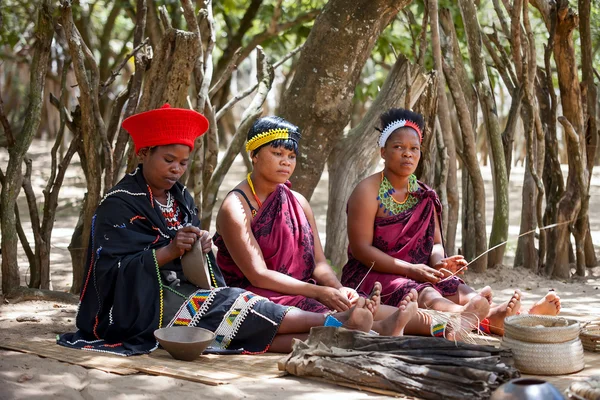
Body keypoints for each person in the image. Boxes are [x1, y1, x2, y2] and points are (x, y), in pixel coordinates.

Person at [57, 104, 414, 356]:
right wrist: (169, 251)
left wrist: (200, 246)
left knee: (229, 327)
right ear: (143, 153)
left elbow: (192, 253)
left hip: (187, 293)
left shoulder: (180, 197)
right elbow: (111, 271)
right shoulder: (120, 204)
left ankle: (352, 332)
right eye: (168, 160)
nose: (177, 170)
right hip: (141, 306)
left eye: (183, 163)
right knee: (232, 304)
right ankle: (338, 323)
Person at [213, 116, 482, 337]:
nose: (286, 162)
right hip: (256, 296)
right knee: (327, 317)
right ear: (254, 155)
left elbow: (318, 262)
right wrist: (320, 291)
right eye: (277, 153)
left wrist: (337, 288)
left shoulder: (298, 201)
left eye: (291, 156)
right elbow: (258, 275)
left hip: (300, 289)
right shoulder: (236, 207)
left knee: (358, 306)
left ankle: (444, 326)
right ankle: (372, 329)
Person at [340, 107, 561, 335]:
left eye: (414, 148)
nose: (408, 154)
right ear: (383, 152)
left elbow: (435, 244)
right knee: (425, 293)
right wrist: (413, 270)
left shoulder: (424, 194)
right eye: (398, 147)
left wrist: (439, 264)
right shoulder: (367, 191)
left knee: (458, 287)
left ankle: (499, 317)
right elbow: (361, 250)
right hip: (374, 275)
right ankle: (483, 318)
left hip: (420, 272)